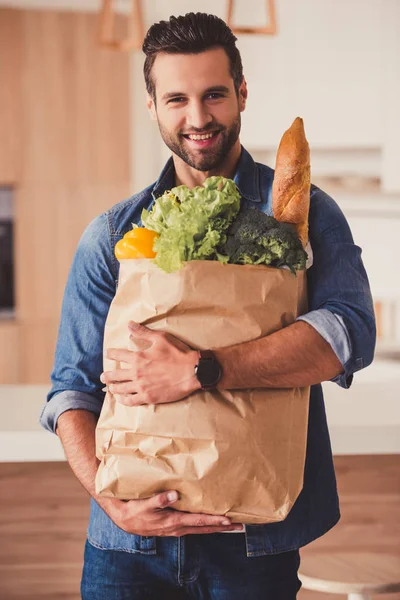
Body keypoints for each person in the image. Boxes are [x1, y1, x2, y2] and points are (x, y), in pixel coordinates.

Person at [40, 12, 376, 600]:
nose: (198, 119)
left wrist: (200, 370)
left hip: (255, 539)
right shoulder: (112, 234)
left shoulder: (302, 213)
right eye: (176, 99)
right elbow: (71, 389)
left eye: (214, 94)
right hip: (128, 549)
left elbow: (348, 336)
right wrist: (109, 499)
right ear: (152, 105)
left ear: (242, 93)